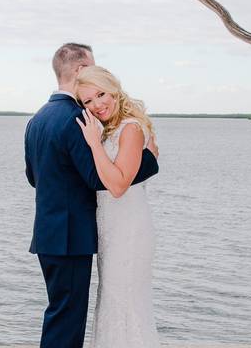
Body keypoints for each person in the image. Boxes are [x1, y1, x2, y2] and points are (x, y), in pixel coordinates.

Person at [24, 43, 159, 348]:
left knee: (60, 314)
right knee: (67, 323)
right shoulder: (78, 118)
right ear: (82, 69)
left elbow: (34, 178)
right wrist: (149, 161)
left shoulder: (37, 118)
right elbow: (99, 179)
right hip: (71, 237)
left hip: (48, 235)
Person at [75, 65, 160, 348]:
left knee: (127, 303)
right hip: (111, 230)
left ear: (114, 89)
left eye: (101, 94)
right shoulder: (110, 129)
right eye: (88, 101)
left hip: (130, 231)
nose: (97, 105)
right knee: (111, 301)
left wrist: (93, 144)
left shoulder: (131, 129)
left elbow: (119, 185)